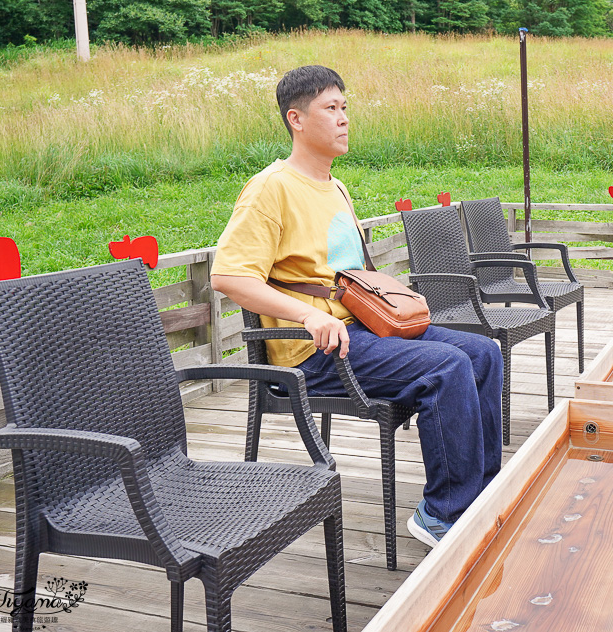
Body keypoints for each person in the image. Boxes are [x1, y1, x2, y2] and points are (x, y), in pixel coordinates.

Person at [210, 65, 503, 548]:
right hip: (312, 351)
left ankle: (479, 493)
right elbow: (229, 276)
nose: (344, 118)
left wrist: (397, 303)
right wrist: (308, 314)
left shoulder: (337, 187)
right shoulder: (270, 189)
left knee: (482, 353)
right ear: (296, 119)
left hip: (364, 329)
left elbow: (349, 275)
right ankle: (442, 514)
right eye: (331, 108)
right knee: (448, 366)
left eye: (345, 107)